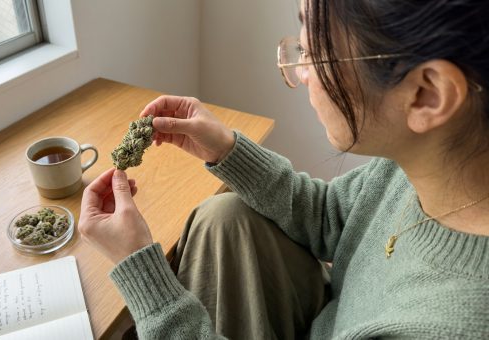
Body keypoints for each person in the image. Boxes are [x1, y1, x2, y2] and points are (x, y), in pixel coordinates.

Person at [78, 0, 489, 339]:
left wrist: (142, 273)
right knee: (226, 217)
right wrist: (227, 149)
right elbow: (333, 217)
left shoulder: (446, 326)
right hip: (331, 317)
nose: (301, 73)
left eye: (316, 52)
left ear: (427, 94)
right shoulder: (422, 166)